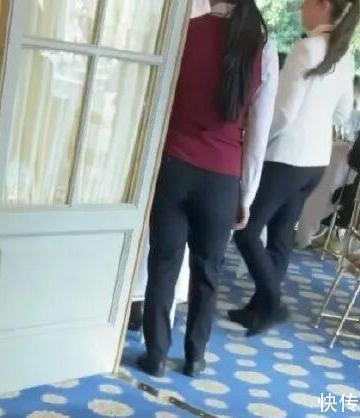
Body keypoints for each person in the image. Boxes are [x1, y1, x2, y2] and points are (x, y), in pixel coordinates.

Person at [139, 0, 279, 378]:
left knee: (163, 264)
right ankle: (195, 357)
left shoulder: (185, 30)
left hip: (174, 166)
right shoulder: (262, 48)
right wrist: (246, 195)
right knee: (208, 272)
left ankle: (155, 356)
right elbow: (258, 134)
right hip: (221, 179)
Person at [230, 0, 360, 336]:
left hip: (286, 156)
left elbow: (284, 113)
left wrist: (256, 139)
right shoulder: (344, 54)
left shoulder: (307, 48)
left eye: (305, 2)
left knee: (245, 229)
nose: (301, 7)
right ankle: (259, 309)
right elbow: (344, 112)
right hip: (316, 160)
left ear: (323, 5)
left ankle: (272, 303)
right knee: (280, 235)